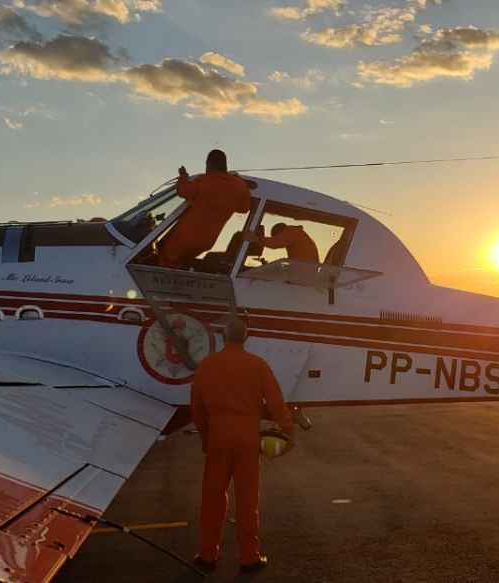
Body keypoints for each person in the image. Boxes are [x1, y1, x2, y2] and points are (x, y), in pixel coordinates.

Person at [191, 318, 293, 573]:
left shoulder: (207, 366)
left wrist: (206, 438)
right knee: (247, 500)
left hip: (218, 439)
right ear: (245, 338)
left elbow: (198, 409)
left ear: (224, 337)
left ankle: (207, 556)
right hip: (248, 439)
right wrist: (287, 429)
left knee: (213, 498)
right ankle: (249, 557)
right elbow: (276, 401)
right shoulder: (257, 365)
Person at [157, 149, 251, 269]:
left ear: (209, 164)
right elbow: (244, 208)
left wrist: (183, 176)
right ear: (225, 165)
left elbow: (183, 191)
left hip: (183, 239)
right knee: (182, 264)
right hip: (206, 243)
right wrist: (239, 182)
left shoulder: (203, 180)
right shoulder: (240, 186)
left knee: (162, 260)